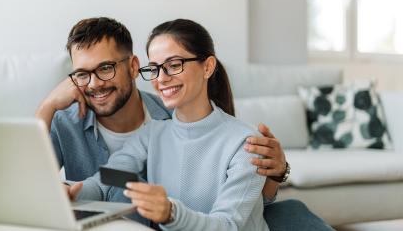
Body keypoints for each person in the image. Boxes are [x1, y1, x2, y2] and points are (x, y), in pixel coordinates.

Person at [36, 17, 334, 230]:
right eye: (157, 68)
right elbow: (110, 178)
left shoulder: (245, 142)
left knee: (292, 213)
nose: (162, 78)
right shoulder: (153, 133)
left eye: (174, 64)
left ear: (208, 66)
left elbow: (229, 225)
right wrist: (76, 192)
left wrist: (169, 212)